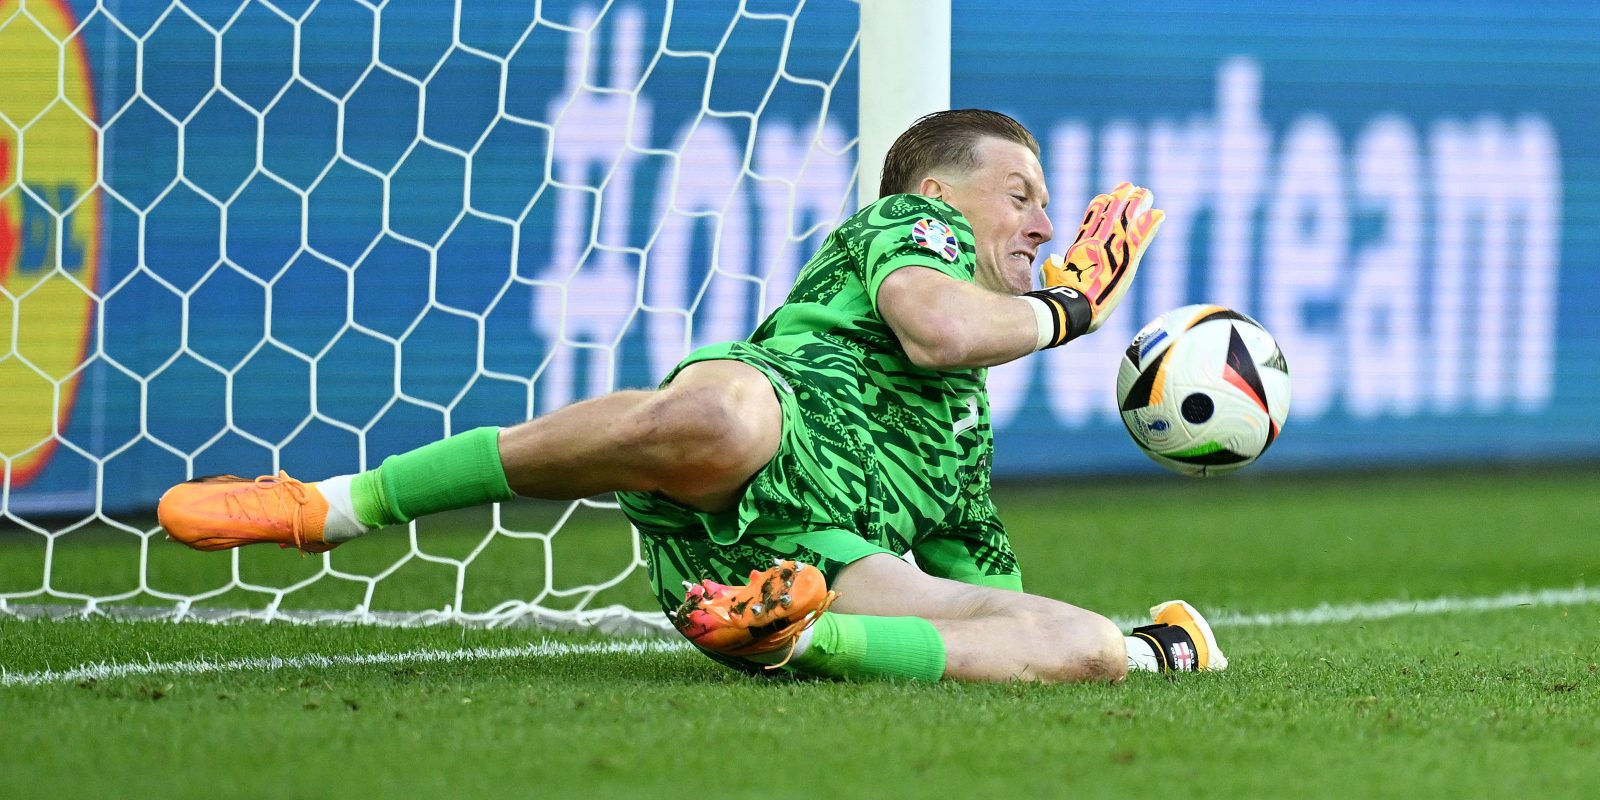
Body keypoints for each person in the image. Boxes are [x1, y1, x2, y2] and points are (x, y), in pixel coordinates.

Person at [158, 109, 1225, 682]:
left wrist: (1109, 642)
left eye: (1050, 206)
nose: (1048, 225)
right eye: (1021, 194)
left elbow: (987, 594)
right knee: (725, 418)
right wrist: (1075, 305)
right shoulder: (909, 233)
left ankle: (789, 638)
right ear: (938, 194)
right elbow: (938, 329)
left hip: (789, 573)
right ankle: (338, 504)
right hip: (744, 441)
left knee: (1080, 646)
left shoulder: (962, 440)